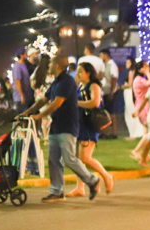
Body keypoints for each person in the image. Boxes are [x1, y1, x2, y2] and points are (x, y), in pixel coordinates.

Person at [20, 56, 100, 202]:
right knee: (53, 160)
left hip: (67, 126)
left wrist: (39, 116)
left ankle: (92, 180)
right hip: (56, 126)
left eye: (51, 63)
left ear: (57, 66)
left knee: (69, 159)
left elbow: (57, 103)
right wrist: (27, 112)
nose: (49, 65)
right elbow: (43, 100)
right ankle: (57, 192)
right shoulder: (56, 82)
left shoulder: (67, 81)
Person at [68, 63, 114, 196]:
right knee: (80, 159)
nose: (77, 74)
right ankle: (80, 188)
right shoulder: (81, 86)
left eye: (80, 72)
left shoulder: (93, 85)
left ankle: (106, 176)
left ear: (88, 73)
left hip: (90, 124)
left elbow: (95, 103)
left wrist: (76, 103)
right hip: (81, 124)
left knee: (85, 157)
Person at [130, 61, 150, 161]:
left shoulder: (139, 79)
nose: (148, 67)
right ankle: (136, 150)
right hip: (143, 107)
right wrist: (148, 73)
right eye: (146, 66)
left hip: (143, 106)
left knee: (146, 132)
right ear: (140, 69)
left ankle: (146, 154)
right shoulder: (139, 80)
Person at [121, 57, 143, 140]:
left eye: (128, 62)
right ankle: (135, 132)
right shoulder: (134, 72)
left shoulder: (131, 72)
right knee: (131, 111)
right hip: (130, 93)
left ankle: (133, 133)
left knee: (130, 111)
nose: (126, 64)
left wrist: (122, 86)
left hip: (129, 93)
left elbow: (130, 84)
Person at [99, 49, 119, 138]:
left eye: (101, 55)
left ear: (106, 55)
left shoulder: (111, 65)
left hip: (110, 92)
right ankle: (105, 132)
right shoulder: (105, 65)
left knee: (110, 113)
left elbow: (114, 79)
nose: (100, 57)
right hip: (106, 91)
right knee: (106, 113)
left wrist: (111, 92)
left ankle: (113, 133)